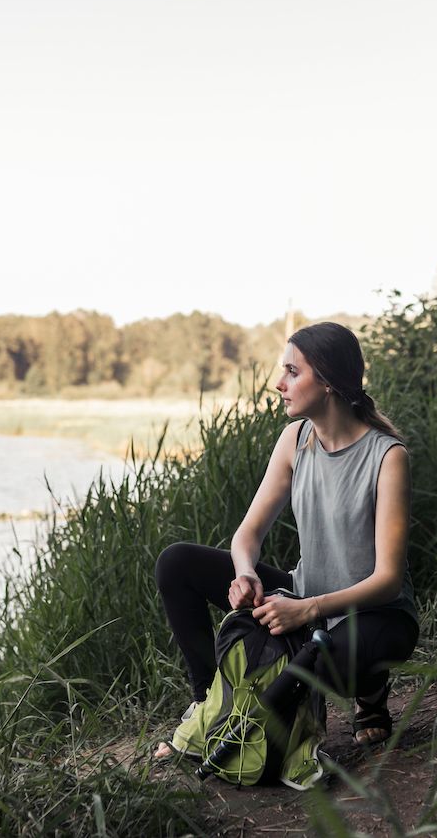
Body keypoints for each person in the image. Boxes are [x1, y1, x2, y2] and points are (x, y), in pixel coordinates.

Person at [154, 321, 418, 756]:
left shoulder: (388, 456)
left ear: (328, 381)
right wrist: (245, 575)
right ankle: (207, 704)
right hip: (304, 599)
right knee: (176, 563)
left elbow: (388, 581)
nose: (279, 383)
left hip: (375, 614)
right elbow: (248, 534)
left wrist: (306, 609)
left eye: (292, 372)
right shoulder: (294, 439)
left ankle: (370, 691)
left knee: (322, 663)